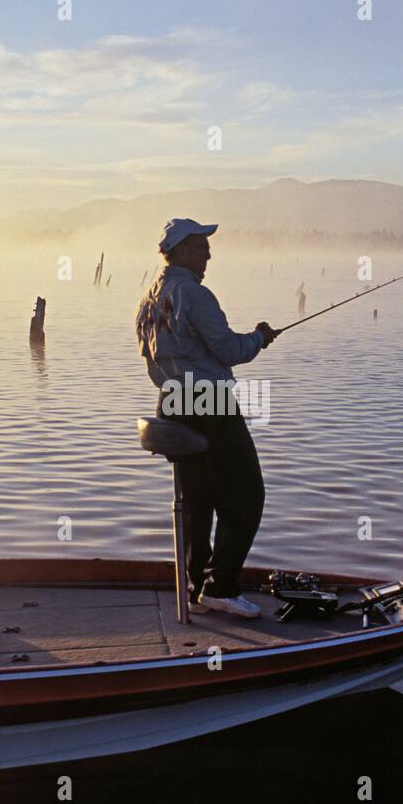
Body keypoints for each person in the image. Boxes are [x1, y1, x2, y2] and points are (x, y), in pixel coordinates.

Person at [135, 218, 277, 619]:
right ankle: (221, 586)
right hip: (207, 402)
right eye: (200, 246)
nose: (208, 253)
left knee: (198, 499)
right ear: (179, 251)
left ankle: (199, 584)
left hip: (172, 401)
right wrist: (260, 338)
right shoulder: (193, 294)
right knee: (246, 493)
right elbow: (230, 350)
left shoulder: (149, 296)